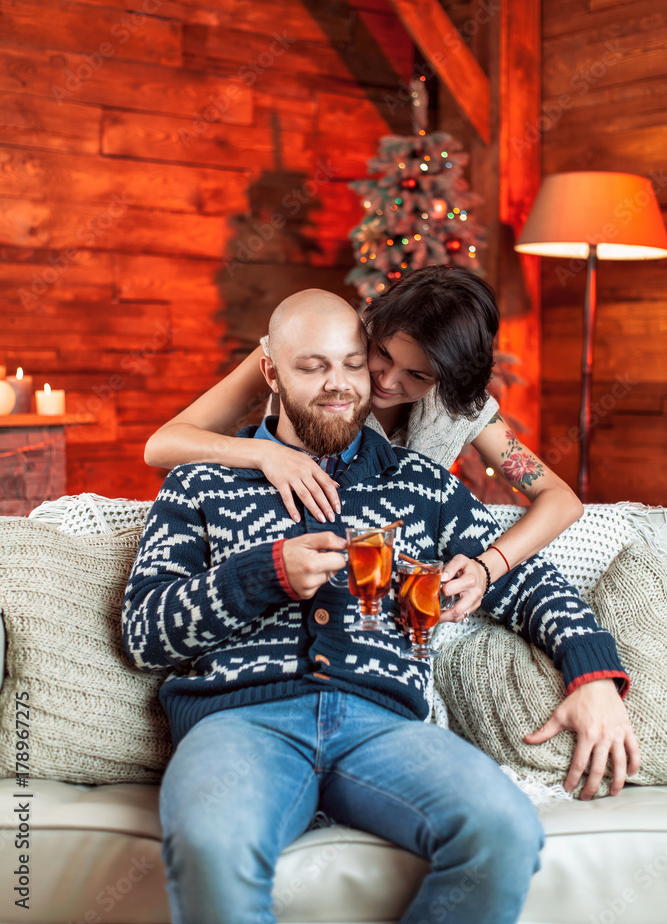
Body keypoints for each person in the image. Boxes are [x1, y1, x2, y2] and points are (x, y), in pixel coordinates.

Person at [123, 289, 639, 924]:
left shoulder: (420, 485)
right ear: (271, 372)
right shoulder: (204, 477)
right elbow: (144, 633)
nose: (341, 385)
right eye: (312, 366)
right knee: (211, 844)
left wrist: (592, 674)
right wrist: (263, 575)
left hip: (382, 727)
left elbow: (534, 581)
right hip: (237, 727)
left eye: (351, 364)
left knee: (503, 831)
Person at [144, 267, 583, 620]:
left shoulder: (459, 406)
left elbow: (560, 500)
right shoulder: (320, 349)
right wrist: (266, 453)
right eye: (383, 355)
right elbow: (163, 445)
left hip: (382, 605)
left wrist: (489, 567)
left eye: (418, 376)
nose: (387, 382)